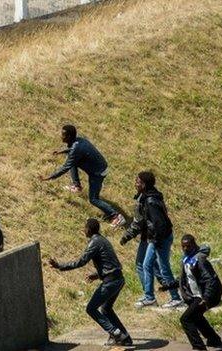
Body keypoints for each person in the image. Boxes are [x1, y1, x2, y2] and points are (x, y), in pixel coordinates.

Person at [49, 218, 132, 346]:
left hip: (110, 282)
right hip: (118, 279)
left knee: (91, 308)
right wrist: (97, 275)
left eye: (84, 228)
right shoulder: (103, 240)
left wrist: (60, 266)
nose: (83, 230)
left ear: (88, 229)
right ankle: (124, 337)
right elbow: (110, 263)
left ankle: (115, 332)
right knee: (106, 309)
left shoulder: (94, 242)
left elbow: (80, 262)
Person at [39, 125, 125, 227]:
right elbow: (73, 150)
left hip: (98, 173)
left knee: (93, 199)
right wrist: (61, 151)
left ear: (69, 136)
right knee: (72, 160)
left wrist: (48, 178)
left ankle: (116, 216)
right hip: (98, 167)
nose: (61, 136)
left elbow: (65, 167)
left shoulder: (76, 149)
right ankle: (77, 186)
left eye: (63, 135)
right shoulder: (79, 140)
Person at [120, 171, 183, 309]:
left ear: (144, 184)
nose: (135, 184)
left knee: (162, 267)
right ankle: (150, 298)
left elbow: (159, 224)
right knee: (146, 265)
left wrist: (156, 241)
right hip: (156, 238)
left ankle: (175, 298)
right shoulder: (147, 196)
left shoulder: (150, 200)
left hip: (160, 238)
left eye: (137, 182)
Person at [160, 234, 222, 350]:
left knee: (186, 319)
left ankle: (198, 347)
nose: (185, 249)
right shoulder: (186, 259)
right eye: (183, 247)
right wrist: (168, 286)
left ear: (194, 245)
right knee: (196, 317)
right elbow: (184, 279)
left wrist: (206, 299)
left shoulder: (200, 259)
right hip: (195, 296)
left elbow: (210, 280)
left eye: (188, 246)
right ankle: (214, 339)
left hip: (206, 296)